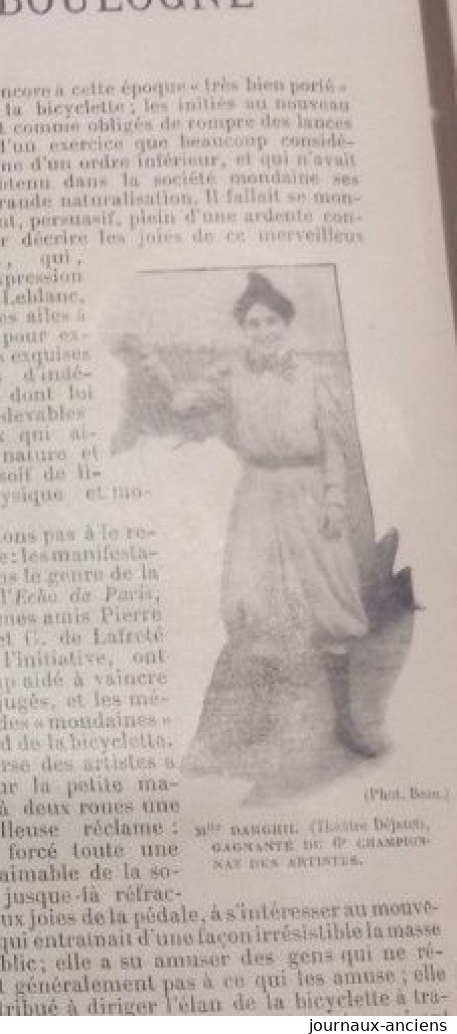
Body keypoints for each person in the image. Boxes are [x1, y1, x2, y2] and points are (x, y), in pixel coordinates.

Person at [140, 270, 378, 757]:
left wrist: (334, 501)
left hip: (308, 491)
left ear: (285, 325)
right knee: (257, 600)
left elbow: (334, 446)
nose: (263, 331)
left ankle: (346, 722)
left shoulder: (314, 377)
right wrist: (152, 363)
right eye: (253, 323)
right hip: (257, 494)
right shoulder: (231, 374)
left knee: (330, 601)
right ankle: (263, 718)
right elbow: (184, 404)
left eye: (271, 322)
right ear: (242, 329)